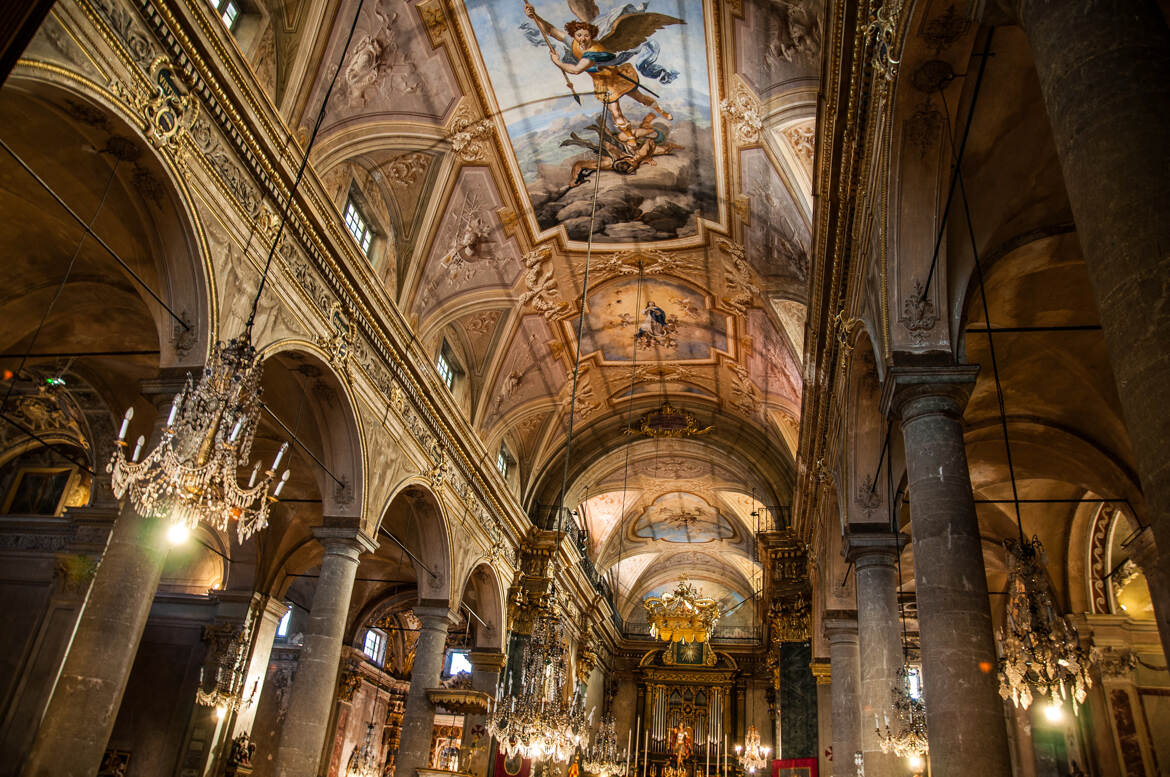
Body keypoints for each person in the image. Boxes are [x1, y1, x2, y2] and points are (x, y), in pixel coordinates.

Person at [523, 1, 679, 138]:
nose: (582, 39)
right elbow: (550, 30)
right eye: (579, 35)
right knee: (616, 113)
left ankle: (661, 111)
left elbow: (576, 70)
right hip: (602, 84)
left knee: (641, 98)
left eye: (586, 35)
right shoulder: (574, 43)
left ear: (591, 35)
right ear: (574, 35)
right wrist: (534, 16)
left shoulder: (594, 51)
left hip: (616, 78)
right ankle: (631, 137)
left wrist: (558, 62)